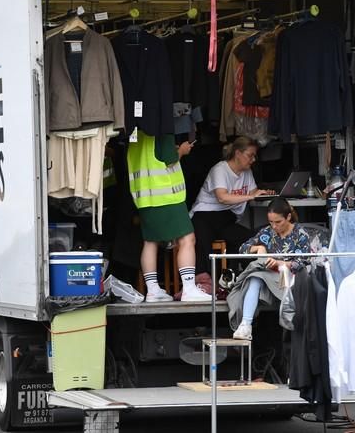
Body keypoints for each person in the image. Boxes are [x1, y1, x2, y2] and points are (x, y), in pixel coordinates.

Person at [126, 130, 211, 302]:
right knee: (187, 239)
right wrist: (182, 150)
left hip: (144, 196)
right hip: (167, 195)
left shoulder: (133, 131)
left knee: (150, 241)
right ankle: (188, 288)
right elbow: (169, 159)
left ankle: (152, 290)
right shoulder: (160, 128)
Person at [190, 136, 273, 279]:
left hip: (226, 218)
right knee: (204, 246)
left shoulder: (247, 172)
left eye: (254, 156)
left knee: (249, 240)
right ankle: (204, 280)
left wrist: (262, 193)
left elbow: (252, 191)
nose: (253, 159)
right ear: (237, 153)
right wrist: (251, 196)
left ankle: (239, 278)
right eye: (250, 155)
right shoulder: (220, 169)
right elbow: (222, 197)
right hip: (204, 215)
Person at [229, 197, 310, 340]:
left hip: (290, 280)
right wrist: (258, 248)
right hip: (269, 279)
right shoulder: (267, 232)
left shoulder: (300, 234)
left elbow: (303, 262)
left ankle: (246, 324)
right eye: (271, 222)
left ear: (288, 217)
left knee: (257, 276)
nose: (274, 226)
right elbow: (242, 248)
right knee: (255, 277)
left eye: (278, 222)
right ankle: (245, 325)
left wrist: (280, 264)